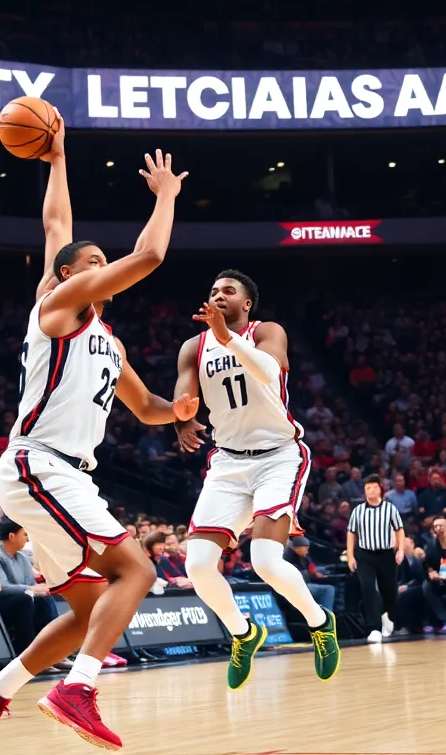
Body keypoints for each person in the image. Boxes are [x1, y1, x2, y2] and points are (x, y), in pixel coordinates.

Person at [0, 123, 194, 755]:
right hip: (40, 464)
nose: (101, 269)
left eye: (101, 264)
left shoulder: (109, 343)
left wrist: (182, 408)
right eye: (91, 264)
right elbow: (76, 236)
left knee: (92, 611)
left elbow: (146, 408)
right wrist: (165, 197)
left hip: (63, 475)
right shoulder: (56, 310)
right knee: (137, 568)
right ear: (64, 277)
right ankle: (76, 690)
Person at [173, 270, 341, 691]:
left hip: (278, 456)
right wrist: (182, 420)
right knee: (197, 565)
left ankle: (321, 624)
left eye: (228, 291)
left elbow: (269, 370)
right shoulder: (193, 347)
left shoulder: (266, 331)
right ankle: (243, 633)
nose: (218, 296)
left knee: (266, 561)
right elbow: (183, 395)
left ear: (246, 303)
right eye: (213, 291)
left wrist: (228, 338)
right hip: (228, 462)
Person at [346, 475, 406, 642]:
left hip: (386, 554)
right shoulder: (357, 510)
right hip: (365, 554)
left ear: (380, 489)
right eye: (367, 488)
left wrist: (400, 550)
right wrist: (350, 555)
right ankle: (373, 628)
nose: (370, 490)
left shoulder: (389, 508)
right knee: (368, 588)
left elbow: (399, 529)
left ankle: (387, 615)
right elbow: (351, 533)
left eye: (373, 487)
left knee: (390, 591)